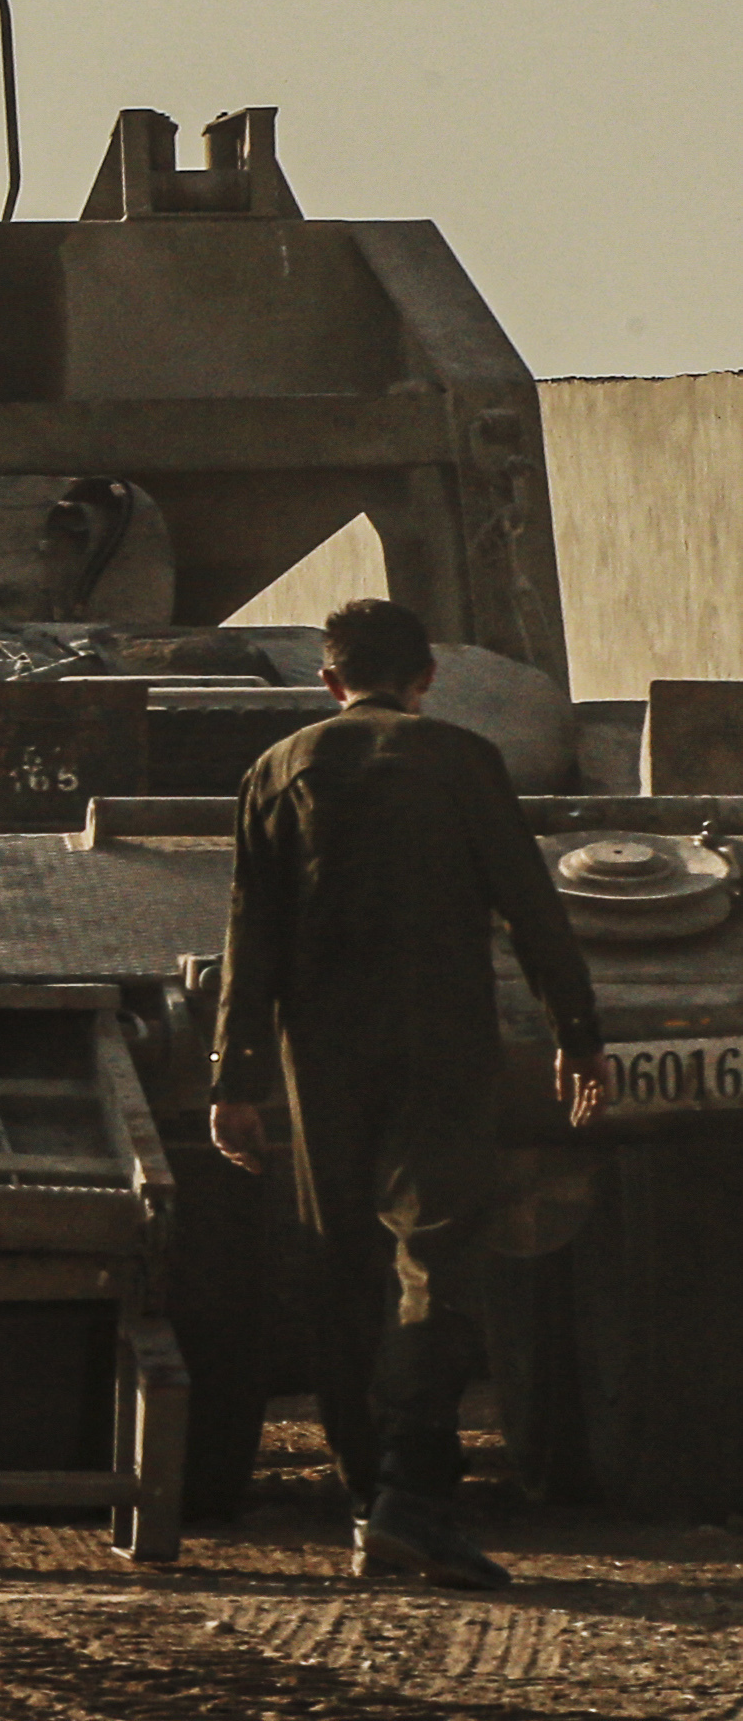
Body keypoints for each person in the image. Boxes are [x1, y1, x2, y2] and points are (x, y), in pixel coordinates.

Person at [211, 598, 612, 1591]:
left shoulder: (275, 768)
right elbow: (529, 905)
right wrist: (577, 1033)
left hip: (322, 1053)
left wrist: (233, 1079)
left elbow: (247, 939)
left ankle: (365, 1504)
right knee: (435, 1255)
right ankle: (411, 1498)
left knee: (339, 1264)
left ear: (327, 680)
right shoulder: (464, 760)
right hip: (440, 1041)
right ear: (425, 677)